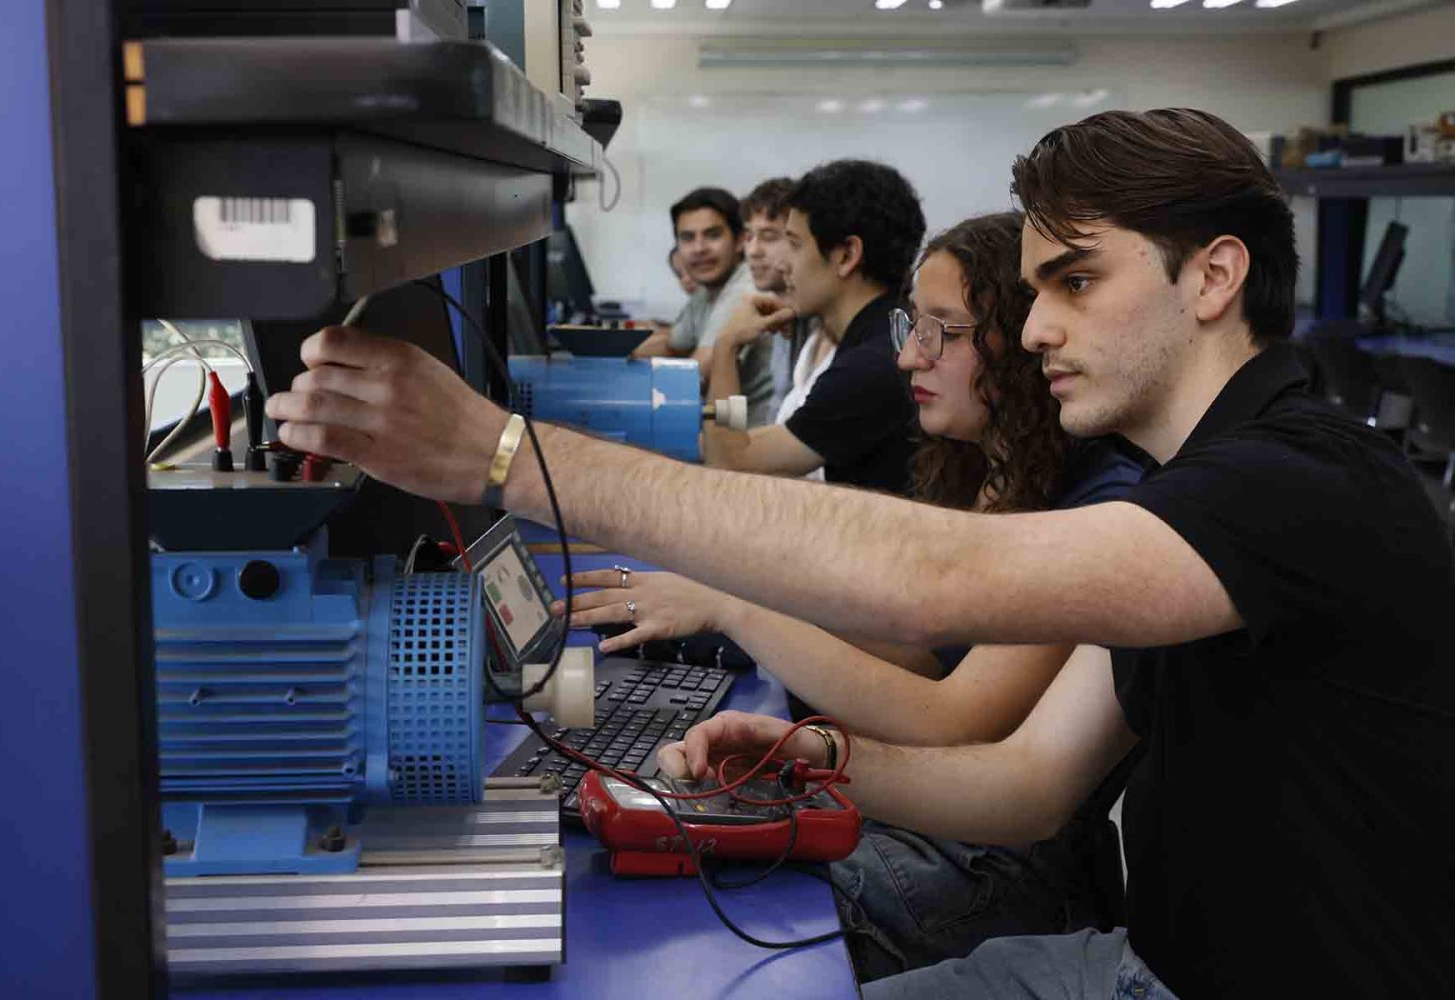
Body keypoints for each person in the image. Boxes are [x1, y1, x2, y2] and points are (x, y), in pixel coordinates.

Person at [265, 108, 1455, 997]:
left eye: (1077, 281)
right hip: (1142, 963)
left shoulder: (1301, 482)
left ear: (1215, 276)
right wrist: (812, 758)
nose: (1037, 328)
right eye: (1034, 290)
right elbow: (1027, 782)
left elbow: (936, 582)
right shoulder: (1198, 491)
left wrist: (504, 455)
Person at [558, 212, 1145, 981]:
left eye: (940, 331)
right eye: (911, 326)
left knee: (691, 912)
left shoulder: (1095, 504)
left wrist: (737, 610)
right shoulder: (991, 468)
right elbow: (921, 653)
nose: (908, 356)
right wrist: (733, 599)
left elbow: (952, 718)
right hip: (949, 833)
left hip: (995, 868)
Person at [700, 160, 923, 493]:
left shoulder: (870, 366)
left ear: (846, 255)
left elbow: (728, 462)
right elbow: (738, 444)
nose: (782, 263)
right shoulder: (880, 335)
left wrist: (726, 348)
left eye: (794, 243)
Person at [633, 187, 776, 427]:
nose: (699, 248)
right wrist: (618, 350)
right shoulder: (706, 291)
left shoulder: (745, 289)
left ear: (739, 241)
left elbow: (693, 376)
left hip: (752, 434)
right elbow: (673, 344)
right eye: (687, 238)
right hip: (727, 425)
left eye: (713, 235)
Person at [735, 176, 812, 418]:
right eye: (749, 236)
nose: (753, 251)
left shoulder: (817, 319)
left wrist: (726, 345)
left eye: (768, 237)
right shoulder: (771, 308)